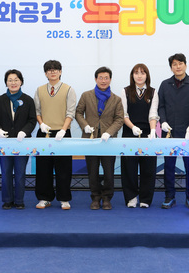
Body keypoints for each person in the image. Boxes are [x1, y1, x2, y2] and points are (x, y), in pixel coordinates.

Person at [158, 53, 189, 208]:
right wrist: (163, 122)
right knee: (169, 165)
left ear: (185, 65)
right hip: (169, 132)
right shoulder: (165, 85)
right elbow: (161, 106)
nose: (178, 67)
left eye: (180, 63)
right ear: (171, 67)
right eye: (174, 64)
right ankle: (169, 196)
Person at [76, 66, 124, 210]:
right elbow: (78, 113)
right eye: (100, 78)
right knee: (92, 171)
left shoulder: (116, 99)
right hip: (90, 140)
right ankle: (95, 197)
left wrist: (109, 132)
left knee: (109, 171)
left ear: (110, 79)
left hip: (108, 141)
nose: (103, 81)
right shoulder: (86, 95)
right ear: (96, 79)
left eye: (106, 78)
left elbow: (119, 119)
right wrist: (85, 125)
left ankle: (107, 197)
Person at [0, 69, 37, 210]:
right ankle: (7, 200)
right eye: (10, 80)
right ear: (6, 83)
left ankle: (19, 200)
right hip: (4, 143)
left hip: (22, 143)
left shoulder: (28, 100)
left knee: (20, 173)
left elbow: (32, 120)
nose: (13, 82)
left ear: (21, 81)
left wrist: (24, 131)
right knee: (5, 173)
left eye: (16, 79)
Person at [33, 60, 77, 210]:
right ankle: (44, 198)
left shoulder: (68, 89)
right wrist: (41, 124)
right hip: (44, 132)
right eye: (49, 70)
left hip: (62, 132)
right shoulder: (39, 90)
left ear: (60, 72)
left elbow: (70, 112)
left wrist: (63, 130)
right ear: (45, 73)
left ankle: (64, 198)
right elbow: (37, 111)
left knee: (63, 168)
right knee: (43, 167)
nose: (52, 72)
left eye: (55, 69)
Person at [120, 63, 159, 208]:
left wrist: (153, 130)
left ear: (147, 75)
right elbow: (123, 114)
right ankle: (131, 197)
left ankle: (145, 199)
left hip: (148, 134)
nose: (139, 76)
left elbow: (153, 114)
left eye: (142, 73)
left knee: (148, 167)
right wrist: (132, 127)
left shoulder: (153, 92)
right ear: (132, 75)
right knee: (129, 167)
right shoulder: (125, 91)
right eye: (136, 73)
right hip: (129, 133)